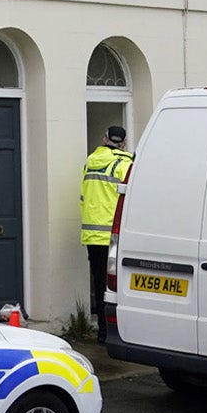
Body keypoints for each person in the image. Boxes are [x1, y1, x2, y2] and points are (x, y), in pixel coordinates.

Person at [80, 124, 133, 341]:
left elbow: (84, 196)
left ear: (104, 140)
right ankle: (118, 331)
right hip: (115, 235)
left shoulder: (90, 162)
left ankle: (103, 332)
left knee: (101, 284)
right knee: (120, 286)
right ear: (123, 143)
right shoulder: (125, 164)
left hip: (93, 234)